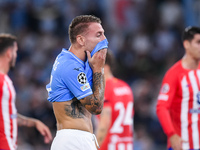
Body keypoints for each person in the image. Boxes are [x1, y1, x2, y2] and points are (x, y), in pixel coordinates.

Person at [46, 15, 108, 150]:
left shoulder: (83, 63)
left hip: (82, 138)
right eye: (99, 35)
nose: (104, 39)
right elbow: (96, 107)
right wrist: (99, 69)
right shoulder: (69, 65)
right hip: (72, 140)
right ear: (80, 39)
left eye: (103, 34)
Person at [0, 34, 52, 150]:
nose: (16, 55)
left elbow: (8, 115)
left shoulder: (6, 80)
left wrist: (34, 123)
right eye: (15, 51)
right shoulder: (1, 81)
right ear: (9, 53)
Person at [156, 26, 200, 150]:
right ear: (186, 44)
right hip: (184, 144)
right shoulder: (174, 74)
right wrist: (172, 134)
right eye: (198, 42)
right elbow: (161, 107)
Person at [95, 50, 134, 150]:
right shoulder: (126, 88)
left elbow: (104, 124)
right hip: (126, 145)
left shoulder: (104, 88)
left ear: (106, 68)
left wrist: (93, 147)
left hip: (109, 145)